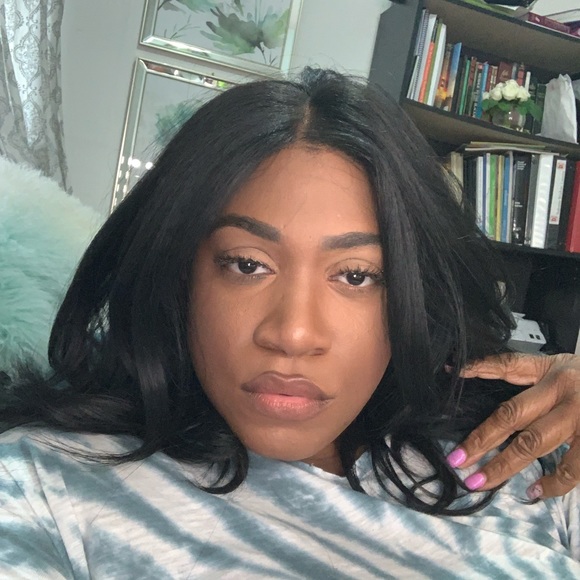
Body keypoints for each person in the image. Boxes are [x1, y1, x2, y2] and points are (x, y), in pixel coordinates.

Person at [0, 68, 579, 577]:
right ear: (177, 275)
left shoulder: (531, 460)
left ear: (413, 296)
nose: (294, 334)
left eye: (356, 275)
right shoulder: (42, 482)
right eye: (247, 265)